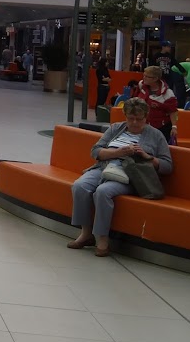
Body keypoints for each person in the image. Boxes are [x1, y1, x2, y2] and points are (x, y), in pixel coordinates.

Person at [68, 97, 172, 257]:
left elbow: (167, 166)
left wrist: (147, 157)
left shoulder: (156, 135)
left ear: (146, 117)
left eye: (139, 119)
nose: (135, 123)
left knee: (103, 191)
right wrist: (118, 152)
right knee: (80, 186)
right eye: (131, 118)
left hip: (131, 174)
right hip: (104, 167)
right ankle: (86, 233)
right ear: (125, 116)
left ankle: (102, 238)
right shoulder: (116, 128)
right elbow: (95, 151)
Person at [136, 65, 178, 144]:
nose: (144, 78)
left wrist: (174, 127)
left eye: (147, 76)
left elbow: (172, 111)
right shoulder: (141, 85)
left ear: (155, 79)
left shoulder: (168, 94)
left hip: (161, 128)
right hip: (143, 125)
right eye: (144, 75)